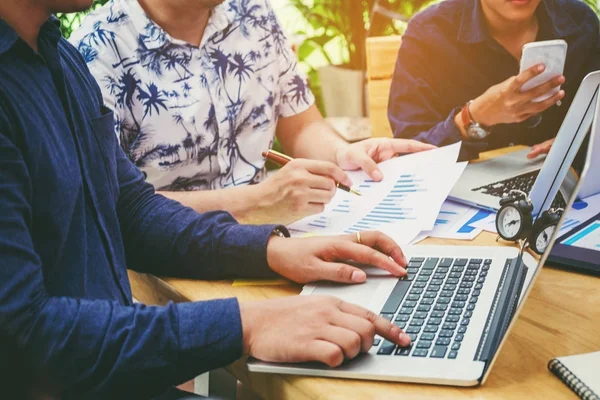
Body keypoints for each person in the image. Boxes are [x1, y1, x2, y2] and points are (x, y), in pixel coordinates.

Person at [0, 1, 412, 398]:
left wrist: (270, 250)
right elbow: (26, 333)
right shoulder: (86, 50)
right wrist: (245, 325)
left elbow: (129, 208)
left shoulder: (58, 56)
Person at [69, 0, 435, 225]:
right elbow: (113, 206)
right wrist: (256, 203)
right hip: (168, 264)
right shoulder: (98, 48)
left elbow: (301, 123)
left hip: (277, 235)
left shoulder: (254, 13)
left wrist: (342, 154)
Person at [388, 0, 600, 161]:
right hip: (461, 205)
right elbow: (410, 154)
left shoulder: (580, 23)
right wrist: (474, 116)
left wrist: (581, 145)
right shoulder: (429, 35)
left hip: (568, 196)